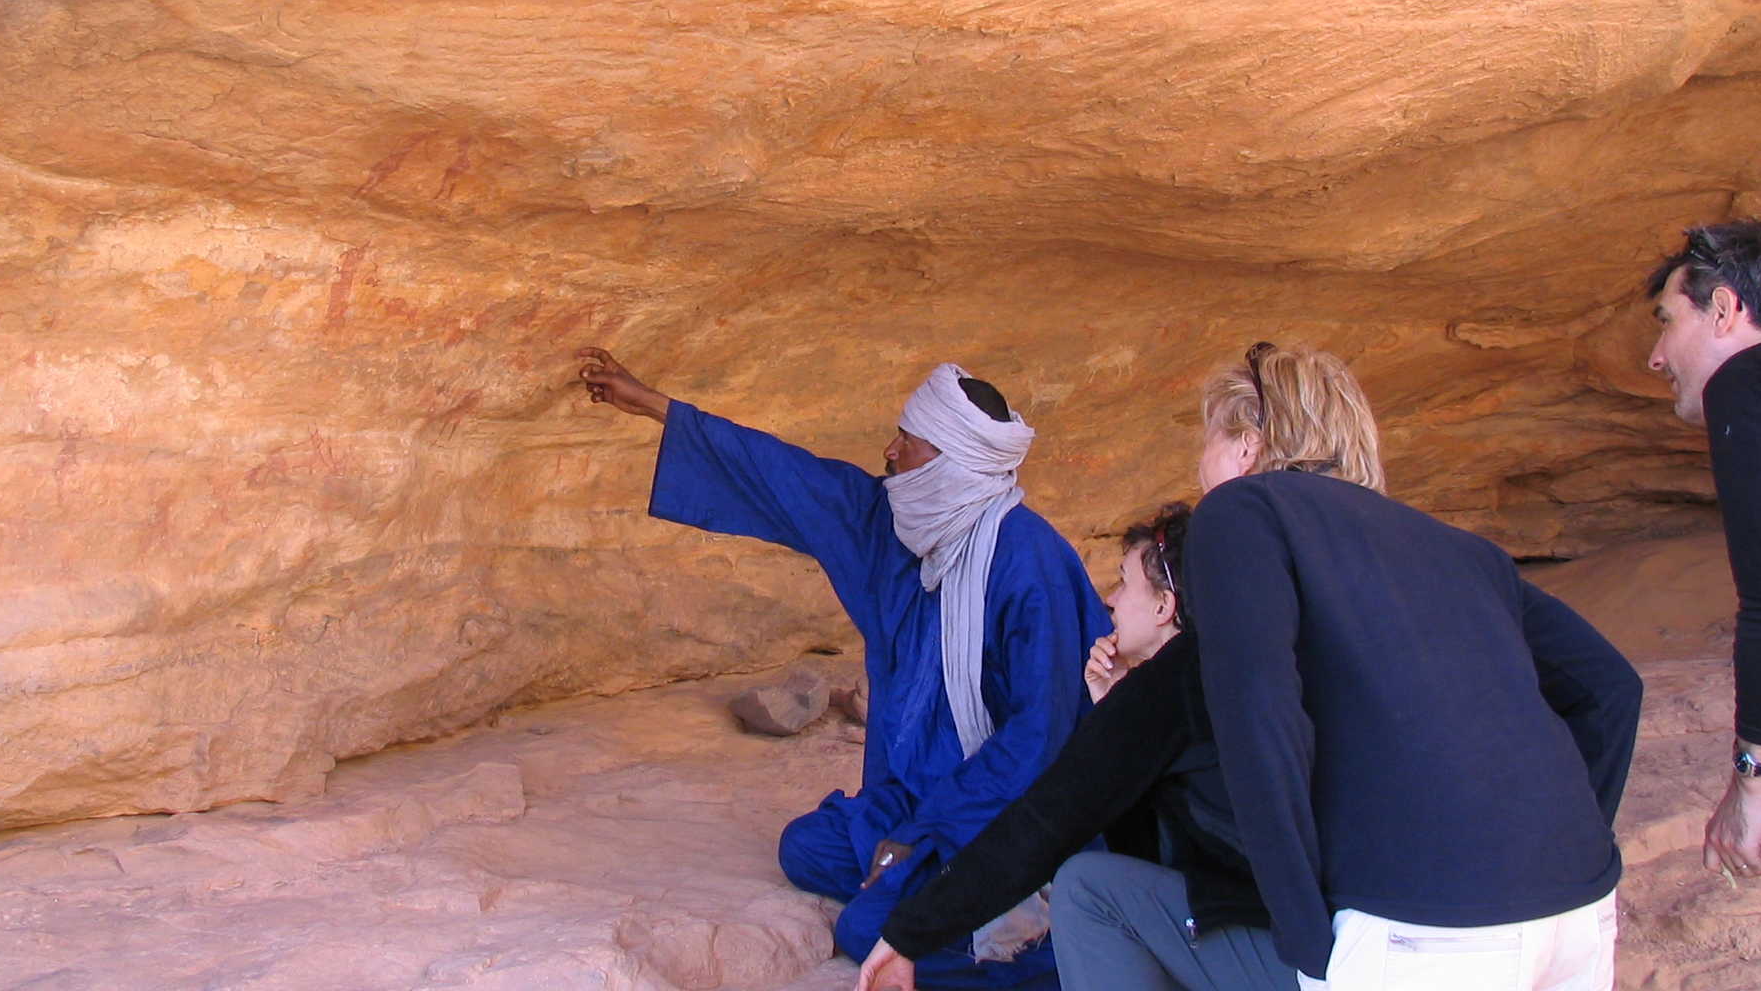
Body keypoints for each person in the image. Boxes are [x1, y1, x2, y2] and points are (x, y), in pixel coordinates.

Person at [576, 347, 1110, 989]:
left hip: (1001, 810)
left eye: (906, 441)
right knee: (805, 848)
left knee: (864, 930)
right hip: (914, 795)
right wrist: (652, 404)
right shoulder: (892, 524)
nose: (888, 450)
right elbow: (784, 476)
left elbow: (1041, 739)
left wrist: (927, 831)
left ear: (949, 459)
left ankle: (1043, 943)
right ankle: (929, 883)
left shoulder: (1030, 563)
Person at [1184, 343, 1644, 989]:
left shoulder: (1243, 511)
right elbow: (1612, 688)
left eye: (1205, 443)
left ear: (1245, 444)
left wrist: (1305, 932)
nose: (1197, 470)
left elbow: (1260, 712)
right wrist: (1558, 849)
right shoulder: (1459, 549)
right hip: (1576, 903)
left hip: (1425, 924)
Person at [853, 502, 1297, 991]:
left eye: (1125, 582)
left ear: (1163, 606)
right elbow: (1144, 856)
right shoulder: (1231, 666)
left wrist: (907, 936)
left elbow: (1047, 824)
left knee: (1085, 887)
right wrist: (1110, 706)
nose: (1109, 598)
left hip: (1285, 951)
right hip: (1297, 929)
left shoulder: (1172, 684)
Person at [1641, 219, 1761, 984]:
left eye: (1669, 323)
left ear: (1726, 311)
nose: (1656, 356)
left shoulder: (1752, 379)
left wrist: (1753, 780)